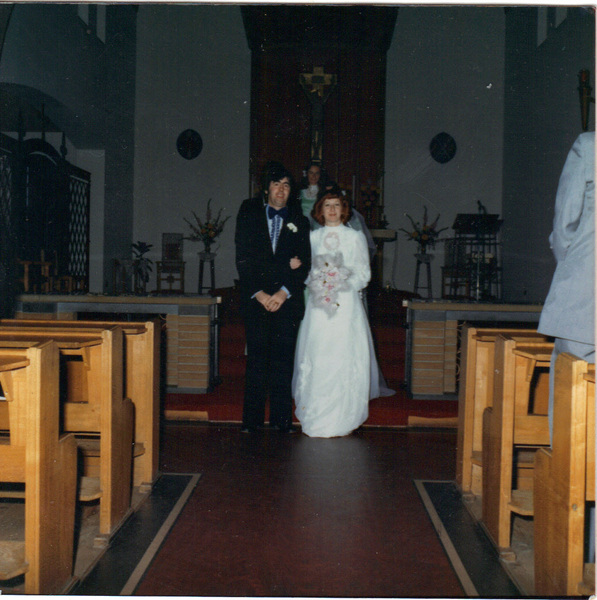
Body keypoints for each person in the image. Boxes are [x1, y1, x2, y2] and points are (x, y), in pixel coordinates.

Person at [537, 132, 594, 561]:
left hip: (585, 306)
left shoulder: (589, 146)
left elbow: (564, 227)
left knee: (573, 427)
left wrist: (577, 265)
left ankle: (574, 553)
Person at [292, 191, 381, 438]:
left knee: (342, 352)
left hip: (346, 303)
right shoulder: (313, 237)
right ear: (320, 210)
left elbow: (364, 274)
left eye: (336, 205)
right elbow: (306, 271)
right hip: (319, 304)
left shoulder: (354, 237)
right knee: (319, 352)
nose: (332, 210)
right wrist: (318, 280)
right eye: (327, 205)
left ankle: (343, 415)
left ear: (344, 209)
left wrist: (339, 283)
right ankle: (317, 411)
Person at [235, 161, 311, 433]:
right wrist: (260, 293)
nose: (281, 190)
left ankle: (282, 421)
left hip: (286, 301)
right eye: (276, 184)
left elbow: (305, 263)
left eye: (286, 185)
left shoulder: (300, 221)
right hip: (257, 299)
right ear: (266, 188)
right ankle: (251, 421)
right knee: (256, 361)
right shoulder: (248, 214)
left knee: (283, 362)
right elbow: (243, 258)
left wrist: (282, 293)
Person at [298, 162, 376, 260]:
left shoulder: (326, 191)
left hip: (321, 223)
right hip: (304, 226)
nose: (314, 176)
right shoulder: (298, 192)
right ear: (306, 174)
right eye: (311, 173)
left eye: (317, 173)